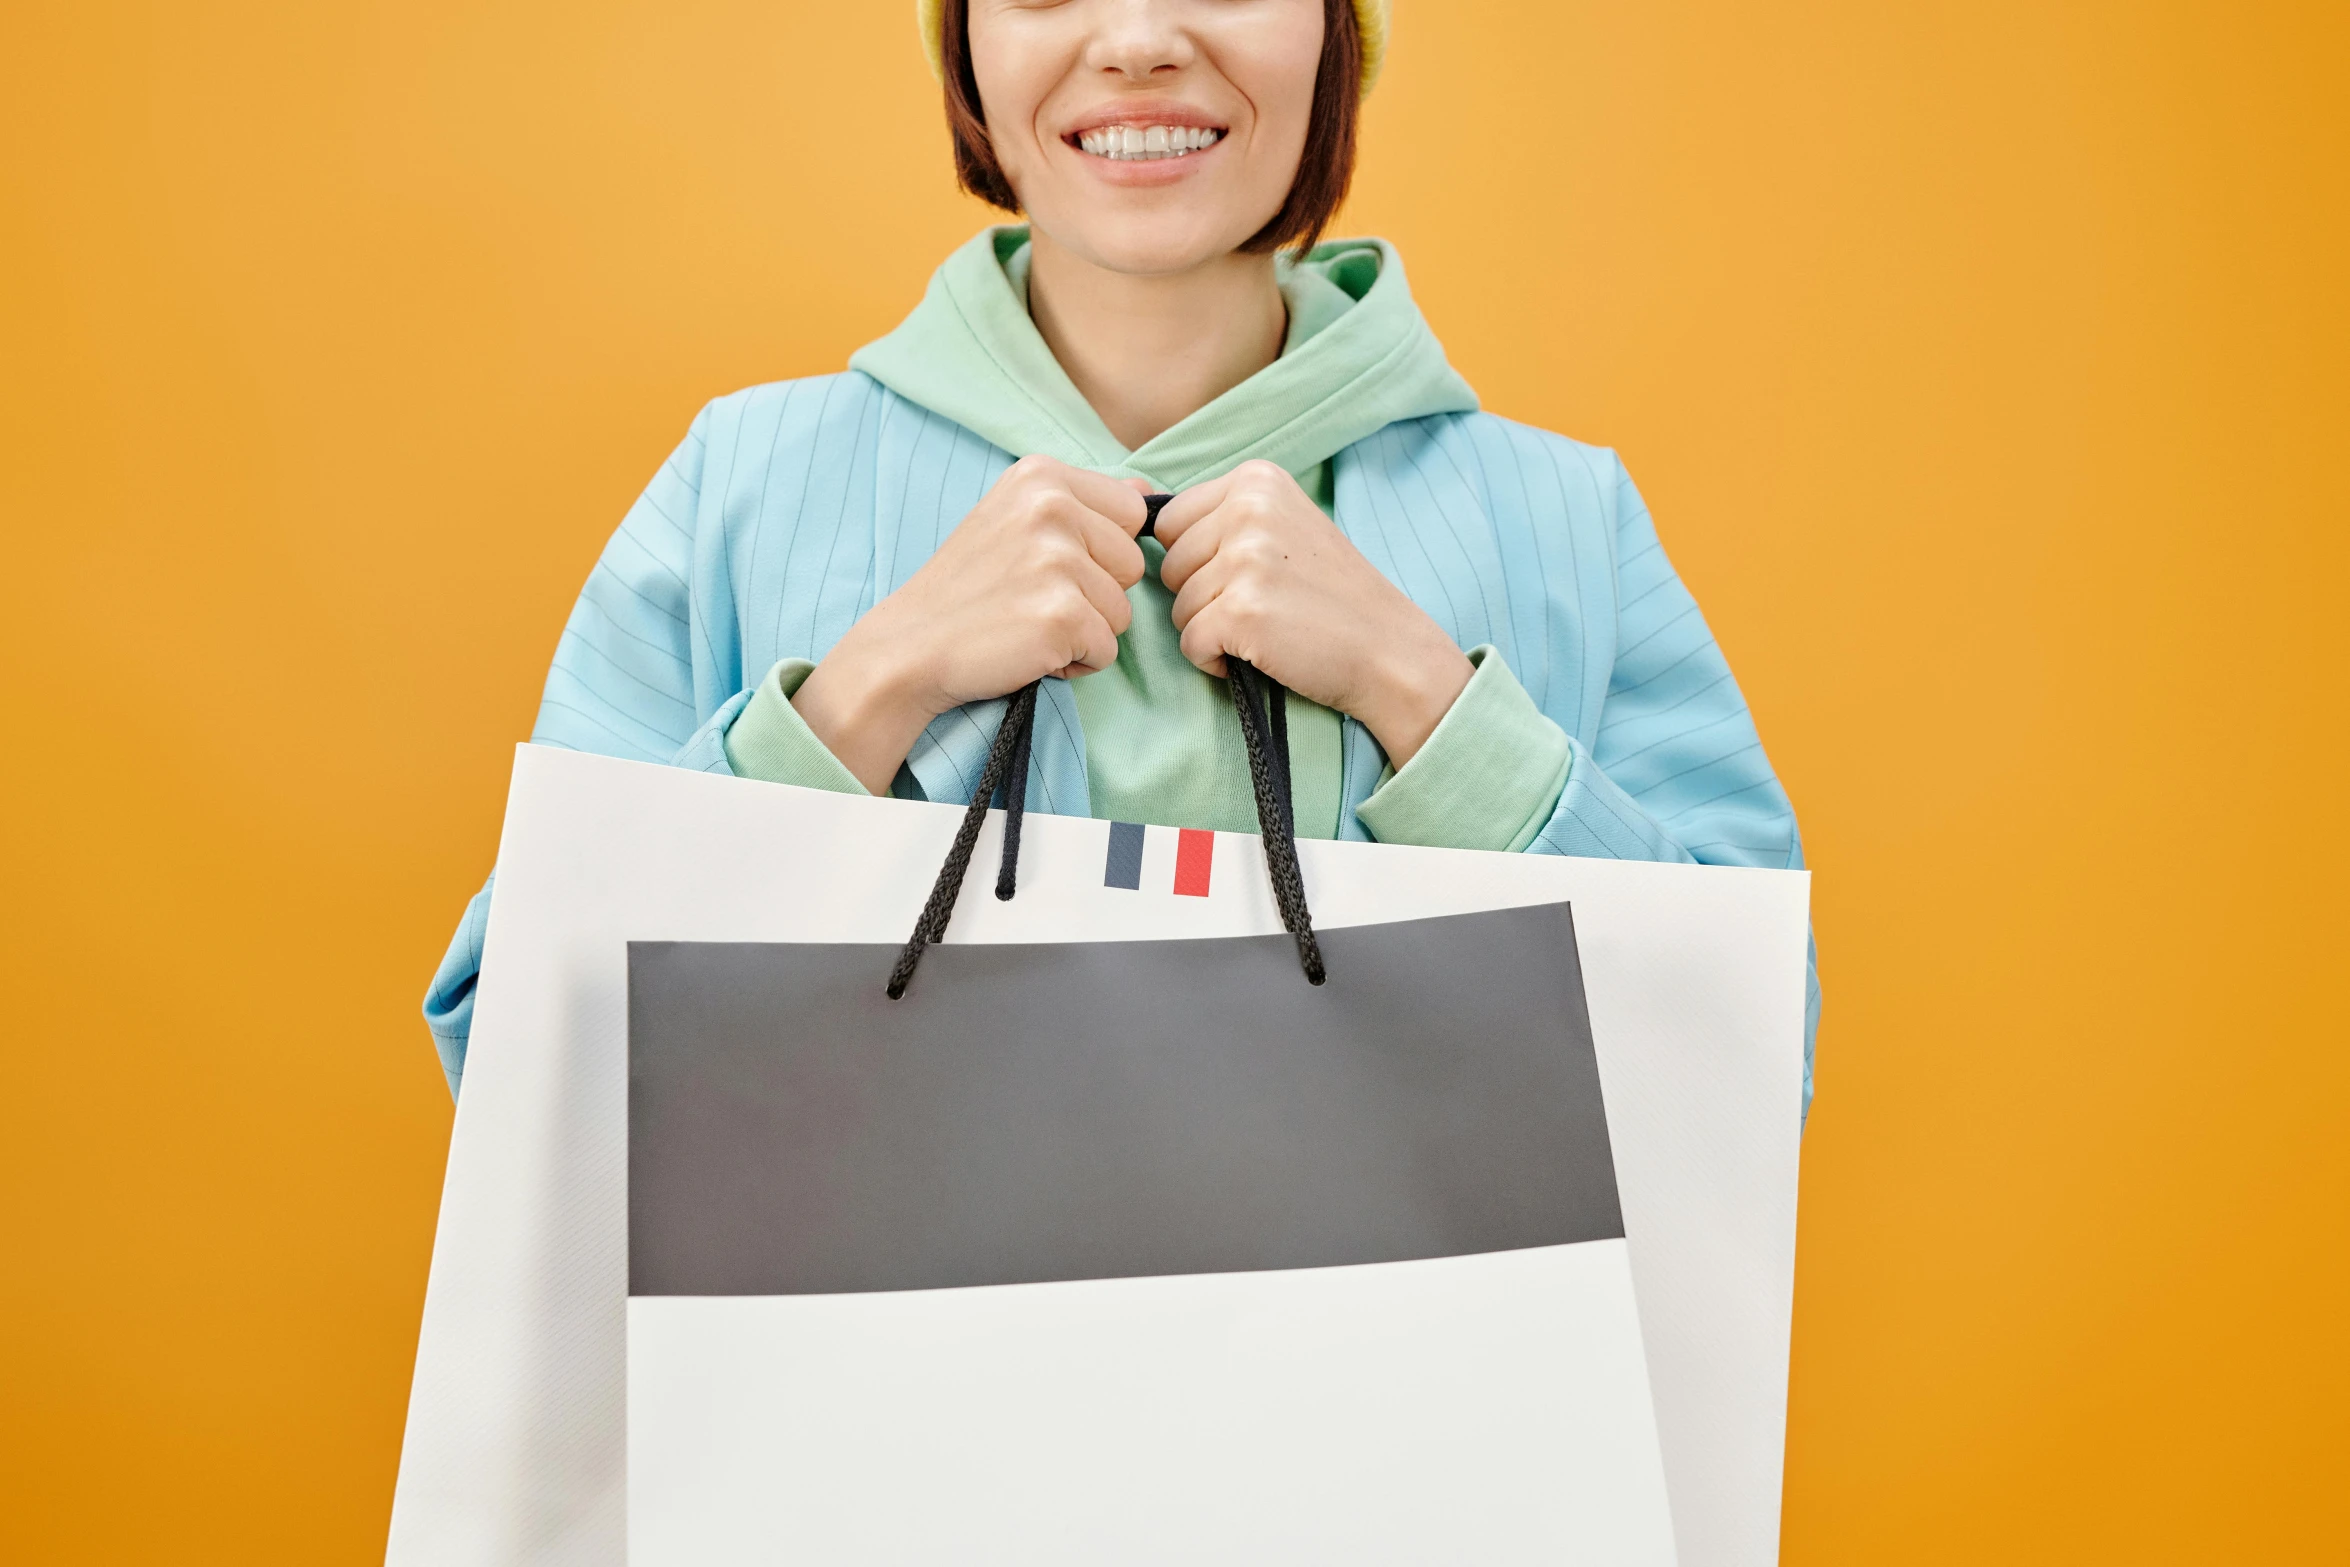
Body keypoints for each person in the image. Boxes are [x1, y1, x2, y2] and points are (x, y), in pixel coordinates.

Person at [424, 0, 1820, 1113]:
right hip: (875, 1452)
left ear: (1337, 29)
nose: (1140, 36)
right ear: (964, 39)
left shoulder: (1563, 514)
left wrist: (1427, 701)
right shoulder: (738, 482)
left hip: (1405, 1451)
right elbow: (510, 1057)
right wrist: (860, 696)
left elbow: (1752, 1055)